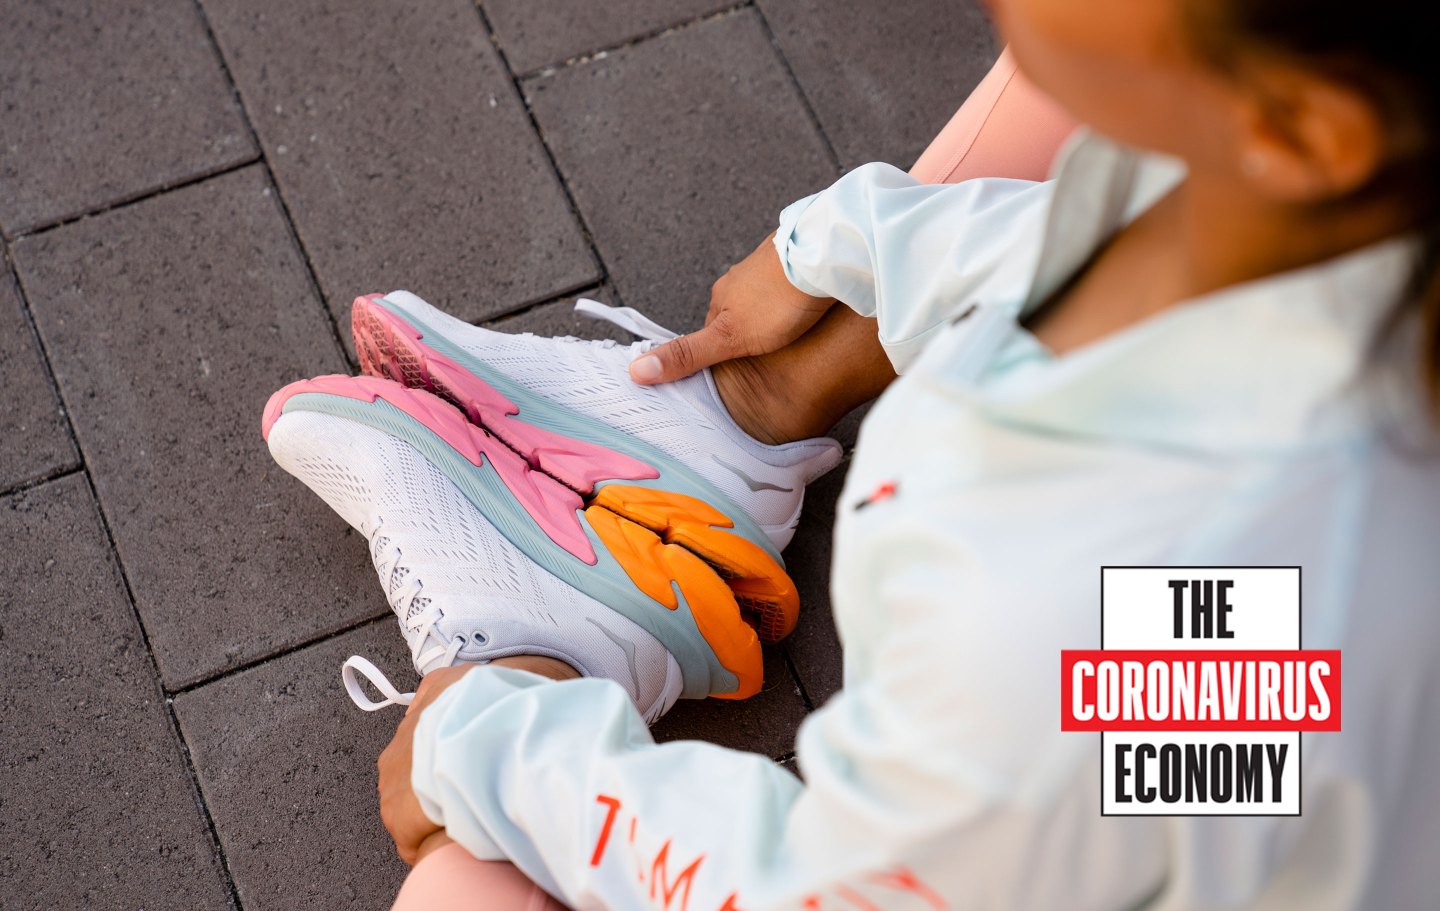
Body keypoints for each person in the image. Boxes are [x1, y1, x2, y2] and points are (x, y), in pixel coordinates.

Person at [269, 0, 1440, 907]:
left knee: (461, 846)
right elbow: (1142, 219)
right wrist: (855, 242)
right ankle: (727, 433)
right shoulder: (1326, 196)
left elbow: (852, 890)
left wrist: (494, 753)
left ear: (1305, 130)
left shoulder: (1171, 606)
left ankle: (537, 653)